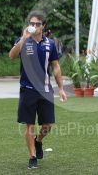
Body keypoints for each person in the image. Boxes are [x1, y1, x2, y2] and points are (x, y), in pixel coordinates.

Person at [9, 11, 67, 169]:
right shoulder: (24, 41)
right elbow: (11, 55)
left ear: (43, 26)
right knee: (29, 125)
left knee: (48, 124)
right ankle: (32, 156)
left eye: (37, 24)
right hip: (27, 89)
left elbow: (55, 66)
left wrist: (61, 88)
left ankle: (38, 141)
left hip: (45, 89)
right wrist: (23, 38)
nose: (34, 26)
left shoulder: (50, 44)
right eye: (32, 23)